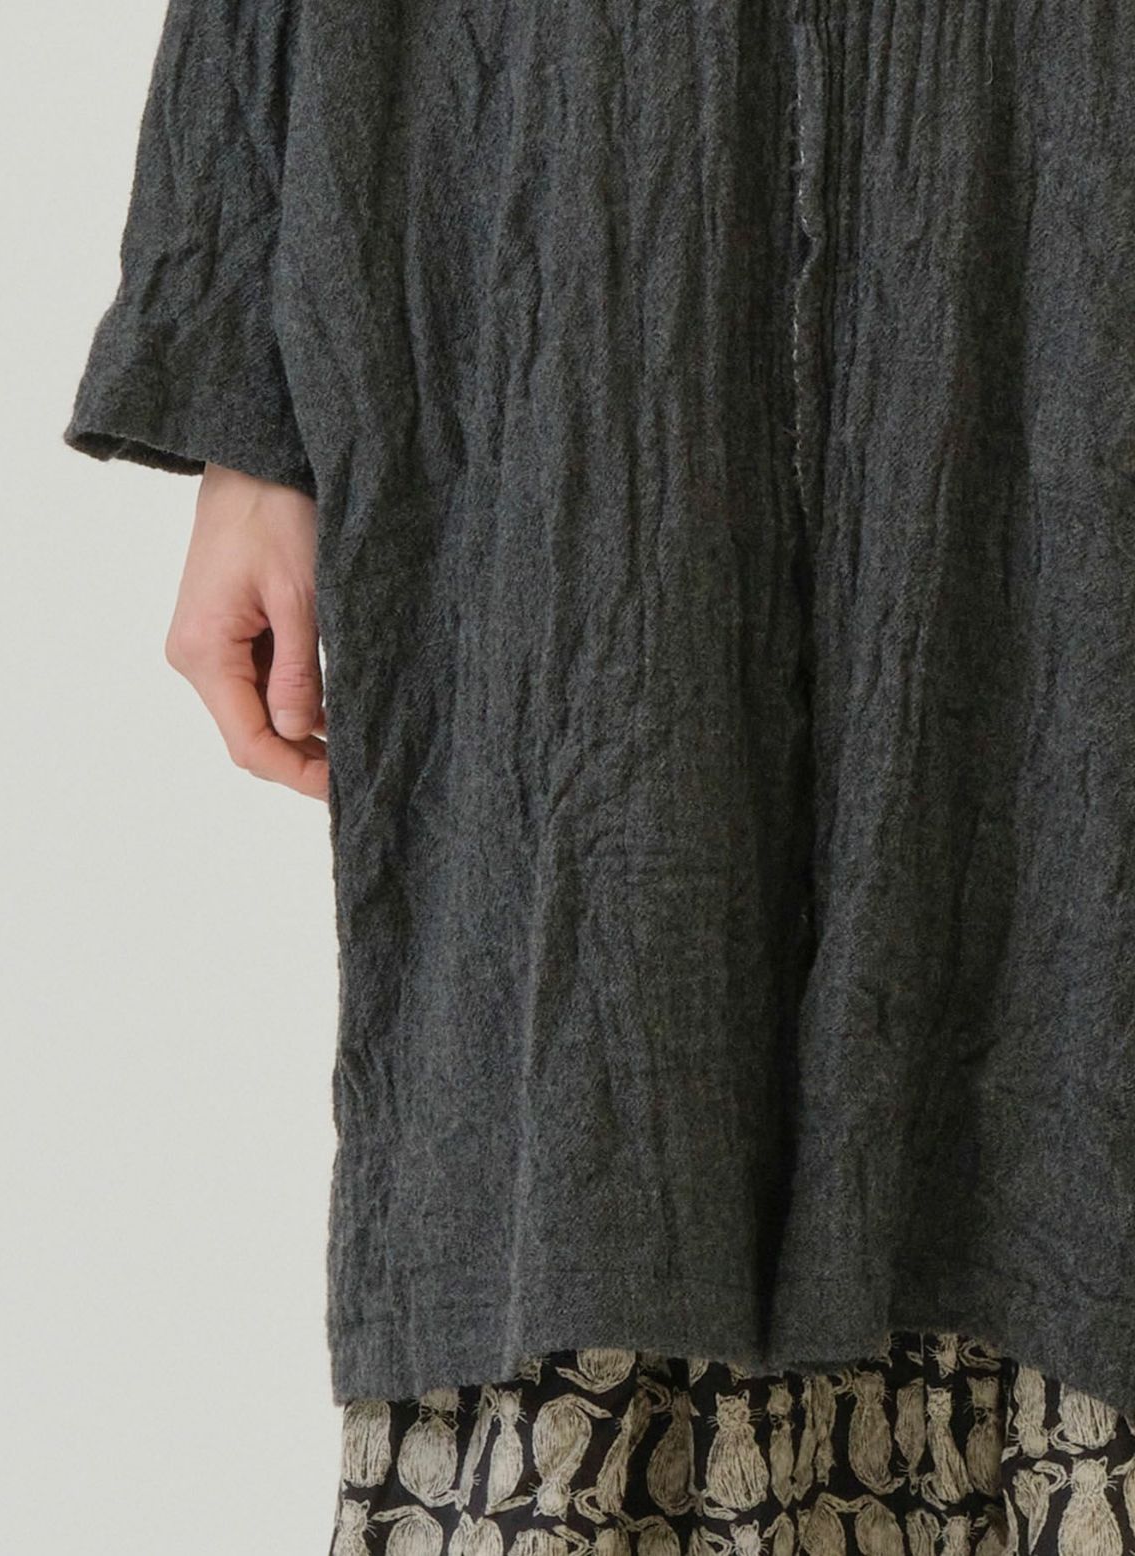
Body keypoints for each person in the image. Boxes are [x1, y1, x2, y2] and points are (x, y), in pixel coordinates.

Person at [63, 0, 1135, 1550]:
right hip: (556, 149)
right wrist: (245, 393)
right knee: (598, 1016)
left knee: (1071, 944)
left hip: (1061, 133)